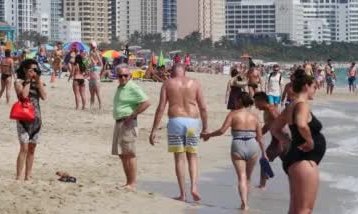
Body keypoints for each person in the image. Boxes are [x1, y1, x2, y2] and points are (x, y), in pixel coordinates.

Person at [149, 64, 208, 202]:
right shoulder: (195, 83)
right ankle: (194, 187)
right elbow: (203, 107)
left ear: (171, 73)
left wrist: (154, 129)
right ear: (185, 72)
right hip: (193, 121)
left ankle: (182, 194)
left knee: (179, 158)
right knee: (192, 156)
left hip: (176, 121)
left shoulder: (168, 83)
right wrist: (205, 128)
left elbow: (161, 108)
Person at [271, 69, 326, 214]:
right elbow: (302, 124)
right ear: (306, 87)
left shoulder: (290, 106)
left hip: (295, 158)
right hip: (304, 160)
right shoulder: (302, 104)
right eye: (314, 87)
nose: (315, 90)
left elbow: (274, 128)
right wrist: (310, 142)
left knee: (295, 209)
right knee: (305, 210)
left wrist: (288, 142)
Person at [202, 92, 266, 211]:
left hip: (238, 145)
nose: (235, 102)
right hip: (252, 145)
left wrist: (209, 135)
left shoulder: (233, 114)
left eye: (236, 100)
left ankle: (244, 204)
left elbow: (222, 131)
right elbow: (260, 138)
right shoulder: (255, 116)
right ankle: (246, 202)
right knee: (248, 178)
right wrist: (264, 153)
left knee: (241, 177)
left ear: (240, 101)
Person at [111, 64, 151, 191]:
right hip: (119, 123)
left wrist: (133, 115)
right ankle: (128, 182)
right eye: (120, 75)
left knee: (129, 153)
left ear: (130, 76)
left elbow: (146, 102)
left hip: (128, 124)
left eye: (125, 75)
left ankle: (132, 183)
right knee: (122, 154)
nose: (122, 78)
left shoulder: (132, 86)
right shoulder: (122, 87)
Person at [14, 59, 47, 181]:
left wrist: (38, 81)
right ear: (24, 70)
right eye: (31, 69)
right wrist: (28, 80)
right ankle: (18, 176)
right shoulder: (19, 81)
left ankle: (27, 176)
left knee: (32, 148)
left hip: (36, 119)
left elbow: (44, 97)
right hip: (23, 119)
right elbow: (23, 96)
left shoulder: (38, 82)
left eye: (35, 69)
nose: (33, 72)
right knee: (24, 148)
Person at [254, 92, 289, 189]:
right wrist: (258, 135)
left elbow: (281, 124)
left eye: (256, 103)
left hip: (279, 140)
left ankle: (262, 185)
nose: (256, 106)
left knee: (264, 160)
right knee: (289, 165)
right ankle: (299, 184)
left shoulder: (271, 110)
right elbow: (267, 126)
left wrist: (281, 142)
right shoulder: (268, 110)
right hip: (280, 140)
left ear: (262, 101)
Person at [88, 42, 103, 110]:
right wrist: (91, 50)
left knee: (98, 94)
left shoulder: (99, 65)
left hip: (96, 80)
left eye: (94, 47)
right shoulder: (91, 64)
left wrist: (95, 51)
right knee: (92, 95)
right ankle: (91, 105)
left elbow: (99, 60)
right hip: (91, 80)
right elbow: (90, 56)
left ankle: (100, 106)